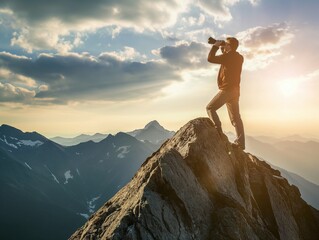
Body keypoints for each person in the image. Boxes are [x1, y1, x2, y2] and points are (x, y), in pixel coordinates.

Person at [206, 37, 245, 149]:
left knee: (210, 108)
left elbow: (210, 58)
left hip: (227, 90)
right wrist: (223, 46)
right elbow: (227, 56)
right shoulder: (239, 57)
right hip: (236, 91)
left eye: (226, 44)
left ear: (230, 46)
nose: (224, 45)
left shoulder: (228, 57)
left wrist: (215, 46)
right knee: (236, 118)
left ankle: (218, 133)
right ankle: (241, 143)